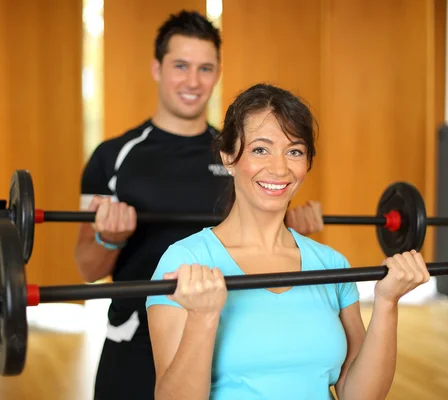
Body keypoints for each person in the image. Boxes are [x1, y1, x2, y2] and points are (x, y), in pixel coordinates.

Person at [75, 11, 325, 400]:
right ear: (157, 68)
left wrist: (292, 228)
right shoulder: (112, 157)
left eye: (205, 68)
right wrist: (109, 239)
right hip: (133, 339)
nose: (193, 81)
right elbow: (87, 268)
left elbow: (265, 233)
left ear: (218, 72)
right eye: (181, 66)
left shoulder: (239, 154)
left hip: (218, 335)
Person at [145, 83, 431, 400]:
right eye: (260, 149)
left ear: (307, 162)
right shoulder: (184, 262)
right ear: (228, 158)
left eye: (294, 151)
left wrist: (387, 304)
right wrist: (203, 317)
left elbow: (360, 395)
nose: (279, 168)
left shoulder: (332, 265)